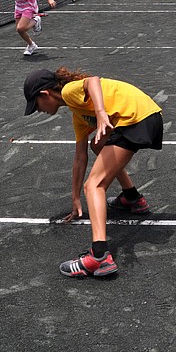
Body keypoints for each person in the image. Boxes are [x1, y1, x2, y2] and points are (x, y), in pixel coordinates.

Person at [23, 67, 164, 277]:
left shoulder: (69, 91)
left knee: (94, 185)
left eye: (36, 105)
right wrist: (75, 197)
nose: (38, 110)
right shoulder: (78, 115)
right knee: (97, 146)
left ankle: (99, 257)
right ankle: (133, 198)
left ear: (45, 94)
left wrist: (100, 112)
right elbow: (80, 158)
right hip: (146, 116)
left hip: (136, 118)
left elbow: (93, 81)